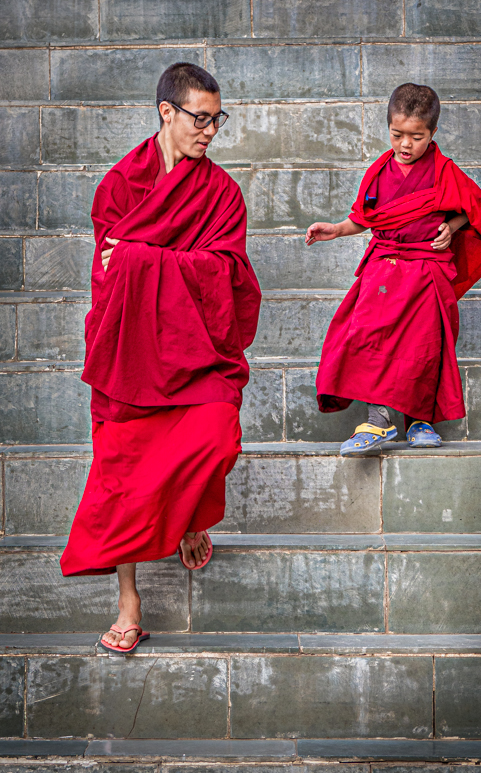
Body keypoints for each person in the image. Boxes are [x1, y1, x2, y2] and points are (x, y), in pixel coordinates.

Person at [60, 62, 261, 653]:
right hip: (130, 353)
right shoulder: (121, 185)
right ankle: (129, 601)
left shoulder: (220, 192)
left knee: (219, 435)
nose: (210, 131)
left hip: (197, 352)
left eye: (217, 120)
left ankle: (191, 513)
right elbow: (108, 273)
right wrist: (137, 261)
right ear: (166, 112)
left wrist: (143, 258)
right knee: (124, 475)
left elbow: (229, 274)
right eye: (201, 118)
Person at [305, 83, 481, 454]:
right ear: (388, 128)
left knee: (423, 345)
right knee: (369, 338)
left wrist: (450, 228)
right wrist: (336, 229)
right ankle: (379, 421)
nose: (405, 145)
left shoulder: (445, 171)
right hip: (383, 271)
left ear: (432, 134)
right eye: (397, 135)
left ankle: (419, 420)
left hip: (427, 270)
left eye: (416, 137)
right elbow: (364, 218)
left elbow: (472, 208)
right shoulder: (378, 172)